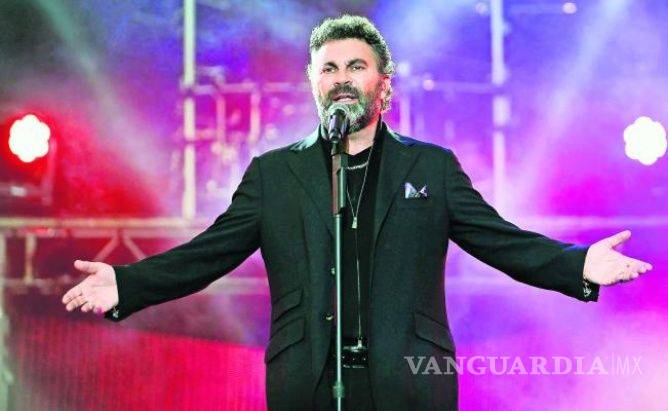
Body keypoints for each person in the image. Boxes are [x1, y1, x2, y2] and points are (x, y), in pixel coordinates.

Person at [62, 15, 653, 410]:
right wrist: (127, 283)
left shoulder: (431, 167)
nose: (341, 78)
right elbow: (210, 254)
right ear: (312, 83)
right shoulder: (274, 174)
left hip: (410, 382)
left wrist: (576, 265)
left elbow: (498, 239)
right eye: (328, 68)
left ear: (383, 84)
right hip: (308, 382)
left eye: (355, 67)